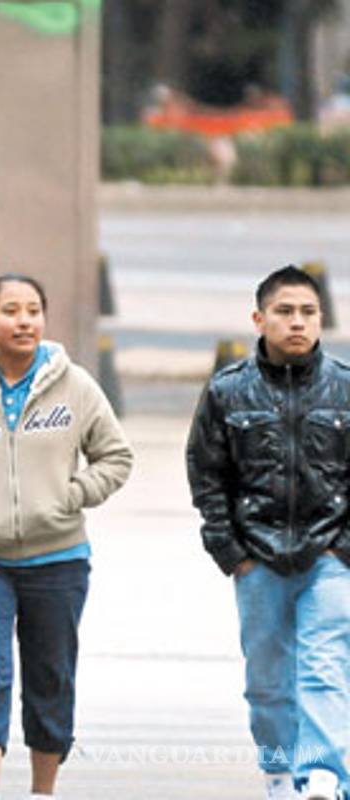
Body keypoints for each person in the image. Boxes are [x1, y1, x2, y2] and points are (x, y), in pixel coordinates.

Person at [0, 273, 132, 800]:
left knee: (50, 677)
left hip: (58, 559)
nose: (25, 320)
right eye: (11, 310)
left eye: (34, 309)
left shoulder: (75, 385)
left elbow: (116, 456)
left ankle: (42, 791)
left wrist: (71, 494)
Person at [186, 265, 350, 800]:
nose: (297, 322)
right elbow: (207, 476)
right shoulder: (228, 392)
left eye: (308, 312)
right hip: (257, 558)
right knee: (267, 683)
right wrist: (232, 552)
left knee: (325, 665)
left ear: (322, 319)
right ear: (259, 319)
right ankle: (280, 772)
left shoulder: (346, 388)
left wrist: (342, 547)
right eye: (284, 312)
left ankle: (322, 774)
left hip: (329, 555)